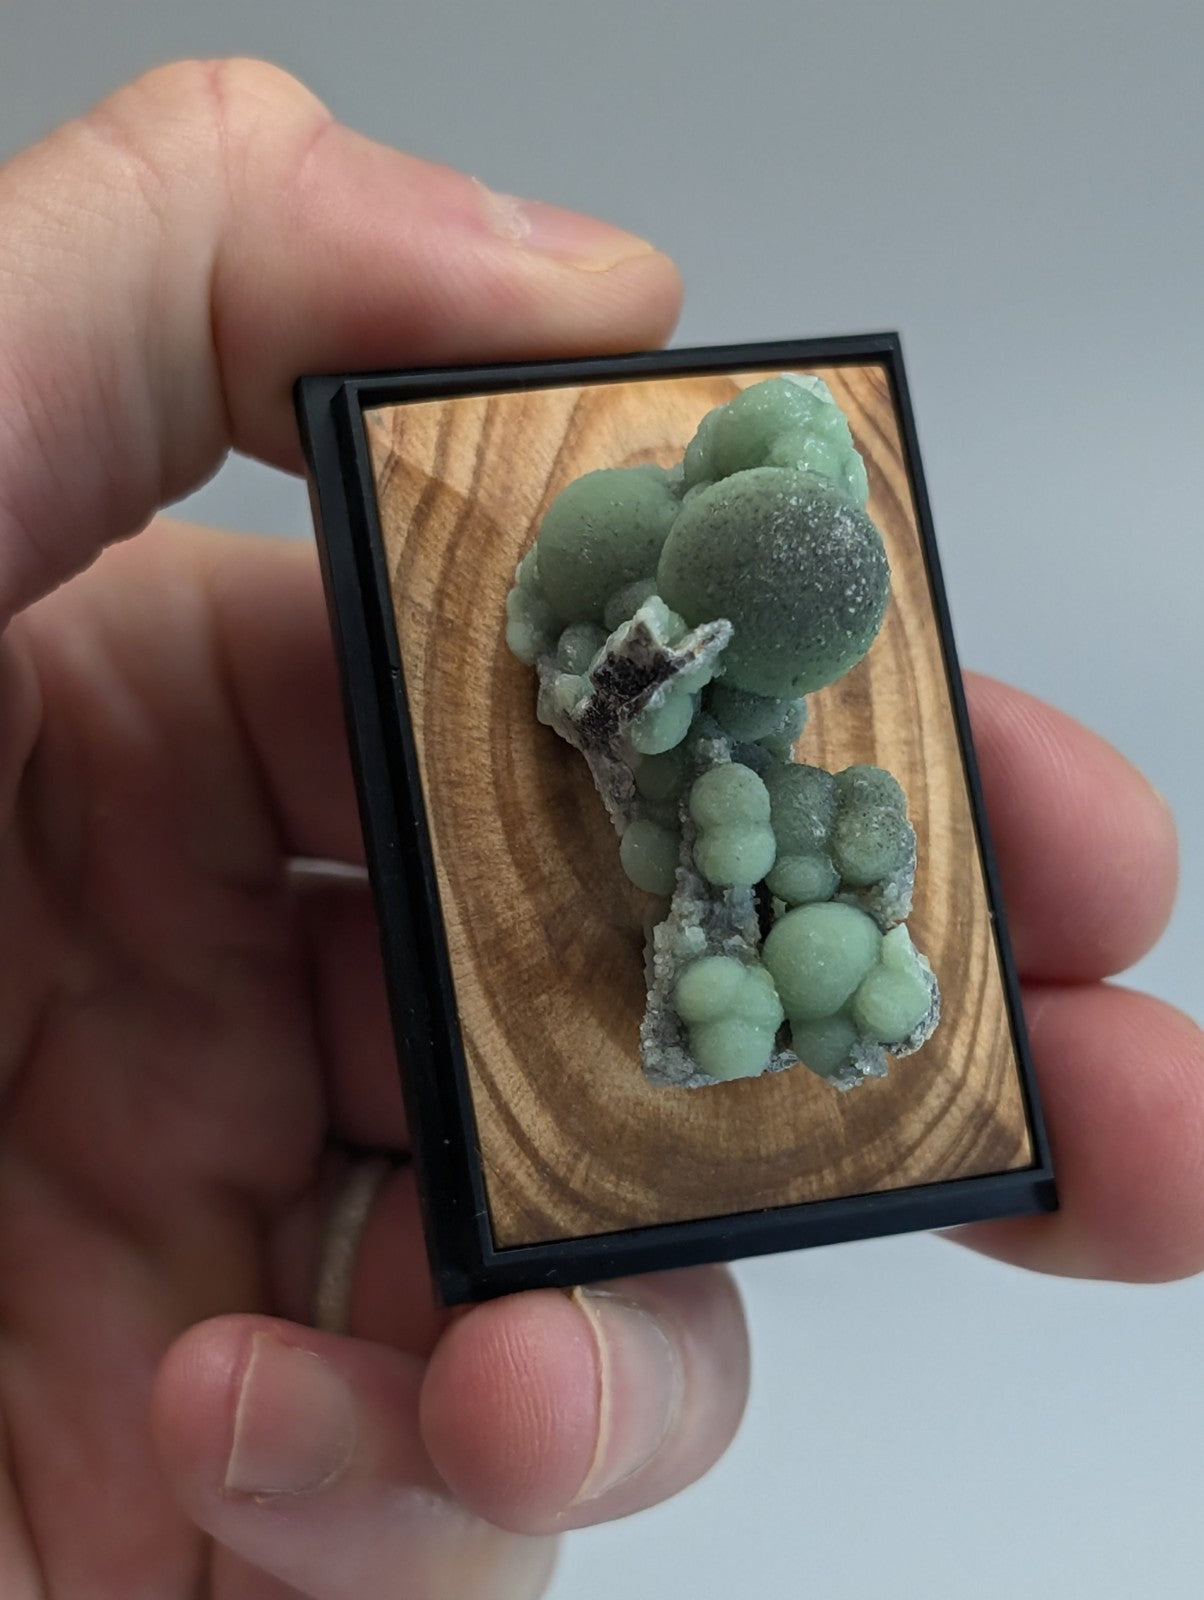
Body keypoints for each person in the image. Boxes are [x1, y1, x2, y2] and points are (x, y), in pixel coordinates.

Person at [0, 58, 1198, 1600]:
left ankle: (781, 981)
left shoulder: (759, 670)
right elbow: (629, 694)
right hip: (662, 759)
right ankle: (756, 977)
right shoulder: (638, 618)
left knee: (815, 862)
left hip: (722, 798)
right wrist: (638, 695)